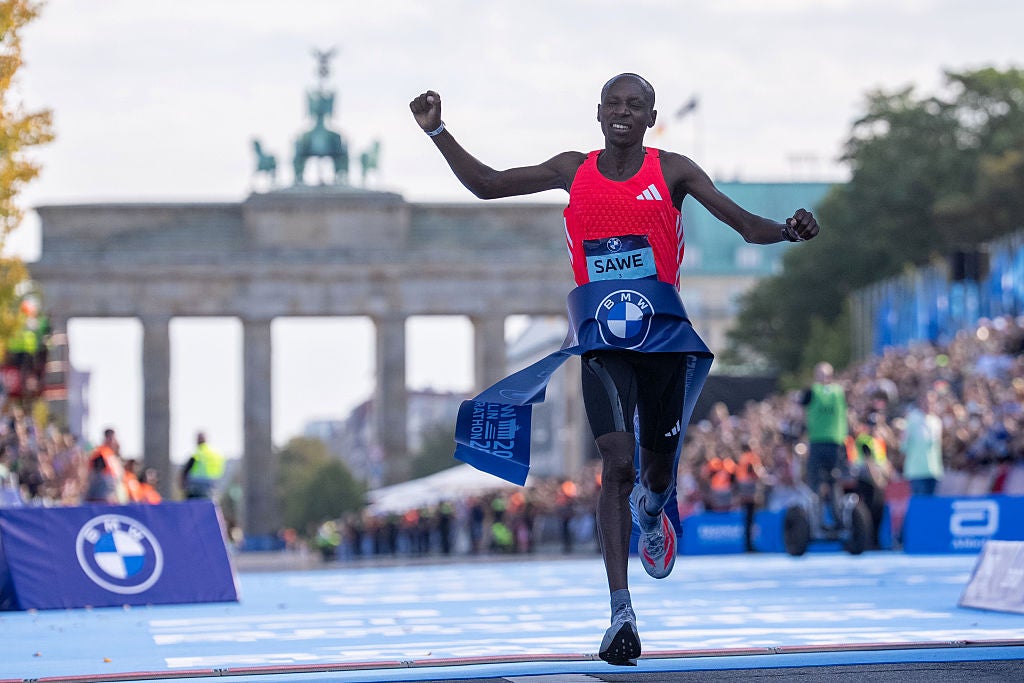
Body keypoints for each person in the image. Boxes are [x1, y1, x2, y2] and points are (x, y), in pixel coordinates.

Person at [410, 73, 819, 665]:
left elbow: (746, 225)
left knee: (653, 474)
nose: (623, 113)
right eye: (613, 104)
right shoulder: (573, 170)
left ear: (651, 119)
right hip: (600, 339)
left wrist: (787, 230)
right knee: (616, 462)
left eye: (636, 106)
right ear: (598, 114)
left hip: (664, 339)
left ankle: (654, 512)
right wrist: (439, 132)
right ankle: (620, 611)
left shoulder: (673, 171)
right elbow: (488, 184)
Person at [799, 362, 849, 527]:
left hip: (835, 443)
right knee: (818, 483)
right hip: (818, 443)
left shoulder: (837, 392)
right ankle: (818, 520)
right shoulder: (813, 392)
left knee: (834, 482)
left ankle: (838, 518)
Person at [900, 390, 944, 495]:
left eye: (932, 402)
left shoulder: (937, 421)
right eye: (926, 402)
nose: (929, 405)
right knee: (919, 503)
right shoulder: (912, 419)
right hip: (916, 472)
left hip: (933, 471)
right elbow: (904, 446)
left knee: (931, 506)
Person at [83, 428, 127, 504]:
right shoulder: (101, 452)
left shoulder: (112, 455)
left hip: (111, 490)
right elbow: (95, 473)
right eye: (111, 438)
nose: (113, 441)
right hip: (102, 492)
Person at [179, 431, 226, 499]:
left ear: (197, 441)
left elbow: (185, 471)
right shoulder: (216, 455)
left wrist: (182, 484)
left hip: (196, 488)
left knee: (193, 506)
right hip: (211, 487)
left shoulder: (198, 454)